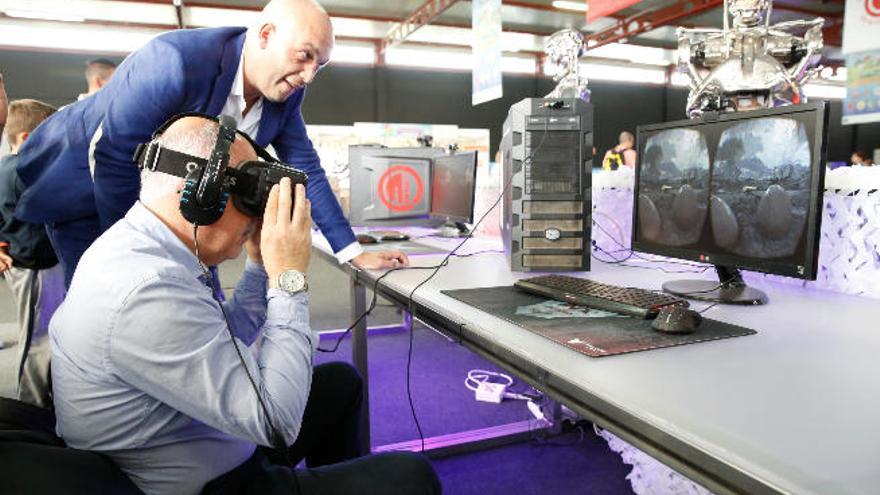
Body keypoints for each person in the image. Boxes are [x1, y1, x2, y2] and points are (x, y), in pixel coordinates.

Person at [49, 115, 440, 495]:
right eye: (249, 197)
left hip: (199, 433)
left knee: (341, 383)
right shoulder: (144, 290)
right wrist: (289, 277)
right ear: (201, 195)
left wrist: (257, 265)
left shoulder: (142, 248)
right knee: (411, 475)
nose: (257, 217)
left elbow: (226, 336)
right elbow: (277, 422)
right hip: (212, 482)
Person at [15, 0, 406, 287]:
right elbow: (113, 156)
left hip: (185, 213)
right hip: (87, 193)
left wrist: (351, 252)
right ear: (266, 35)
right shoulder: (174, 62)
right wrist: (137, 258)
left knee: (200, 310)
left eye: (318, 65)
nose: (308, 76)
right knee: (111, 302)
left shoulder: (285, 94)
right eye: (305, 56)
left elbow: (307, 171)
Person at [0, 99, 65, 409]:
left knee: (47, 333)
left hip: (37, 264)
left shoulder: (8, 169)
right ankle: (30, 407)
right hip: (33, 267)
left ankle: (44, 397)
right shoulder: (21, 172)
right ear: (26, 139)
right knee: (37, 339)